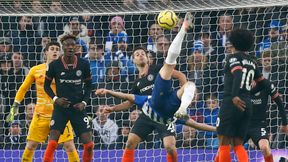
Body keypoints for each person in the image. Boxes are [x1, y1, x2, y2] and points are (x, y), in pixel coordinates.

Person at [95, 13, 216, 162]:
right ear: (133, 60)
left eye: (142, 53)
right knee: (130, 142)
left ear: (147, 57)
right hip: (148, 113)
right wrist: (113, 109)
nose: (140, 55)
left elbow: (180, 75)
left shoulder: (157, 68)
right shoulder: (136, 83)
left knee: (170, 147)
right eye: (137, 54)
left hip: (167, 105)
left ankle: (182, 109)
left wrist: (183, 91)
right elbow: (130, 102)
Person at [6, 42, 79, 162]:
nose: (55, 51)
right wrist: (15, 106)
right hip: (40, 114)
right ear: (46, 52)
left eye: (57, 49)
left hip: (61, 114)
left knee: (69, 146)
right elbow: (23, 88)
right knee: (31, 145)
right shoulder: (36, 70)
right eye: (52, 49)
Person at [216, 28, 274, 162]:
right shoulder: (253, 61)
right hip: (247, 104)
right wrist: (272, 91)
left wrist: (235, 95)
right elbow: (262, 82)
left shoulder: (232, 58)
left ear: (233, 42)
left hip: (232, 102)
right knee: (237, 144)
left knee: (224, 144)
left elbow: (238, 73)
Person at [42, 35, 93, 162]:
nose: (70, 47)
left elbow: (89, 87)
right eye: (67, 45)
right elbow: (46, 86)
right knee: (53, 142)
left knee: (89, 145)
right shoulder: (54, 65)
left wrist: (84, 102)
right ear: (62, 47)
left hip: (78, 109)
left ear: (76, 47)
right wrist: (55, 99)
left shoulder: (84, 64)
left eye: (72, 45)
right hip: (61, 108)